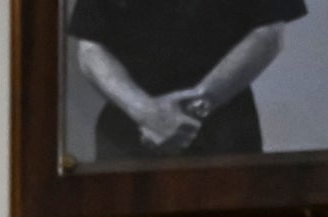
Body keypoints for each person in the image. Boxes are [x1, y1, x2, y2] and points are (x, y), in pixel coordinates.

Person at [65, 0, 307, 160]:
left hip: (221, 132)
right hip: (130, 133)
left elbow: (269, 33)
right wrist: (146, 112)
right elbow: (90, 48)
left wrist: (194, 109)